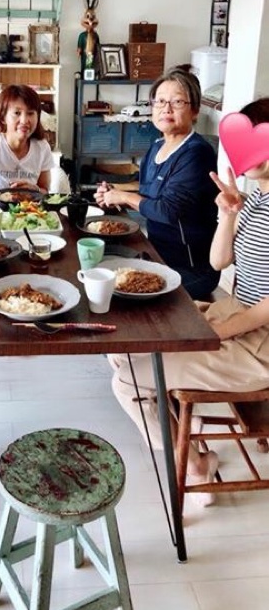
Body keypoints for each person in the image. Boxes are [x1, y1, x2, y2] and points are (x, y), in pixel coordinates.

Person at [108, 96, 269, 502]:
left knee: (127, 380)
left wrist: (216, 333)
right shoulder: (255, 198)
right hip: (233, 314)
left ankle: (196, 465)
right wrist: (229, 214)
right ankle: (184, 433)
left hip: (259, 343)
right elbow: (219, 261)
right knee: (121, 341)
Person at [94, 68, 221, 300]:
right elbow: (148, 193)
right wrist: (114, 192)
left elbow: (168, 211)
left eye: (177, 102)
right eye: (160, 101)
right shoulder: (157, 146)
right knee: (96, 270)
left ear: (195, 110)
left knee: (118, 297)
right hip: (156, 254)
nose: (166, 108)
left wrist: (123, 197)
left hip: (190, 269)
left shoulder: (197, 153)